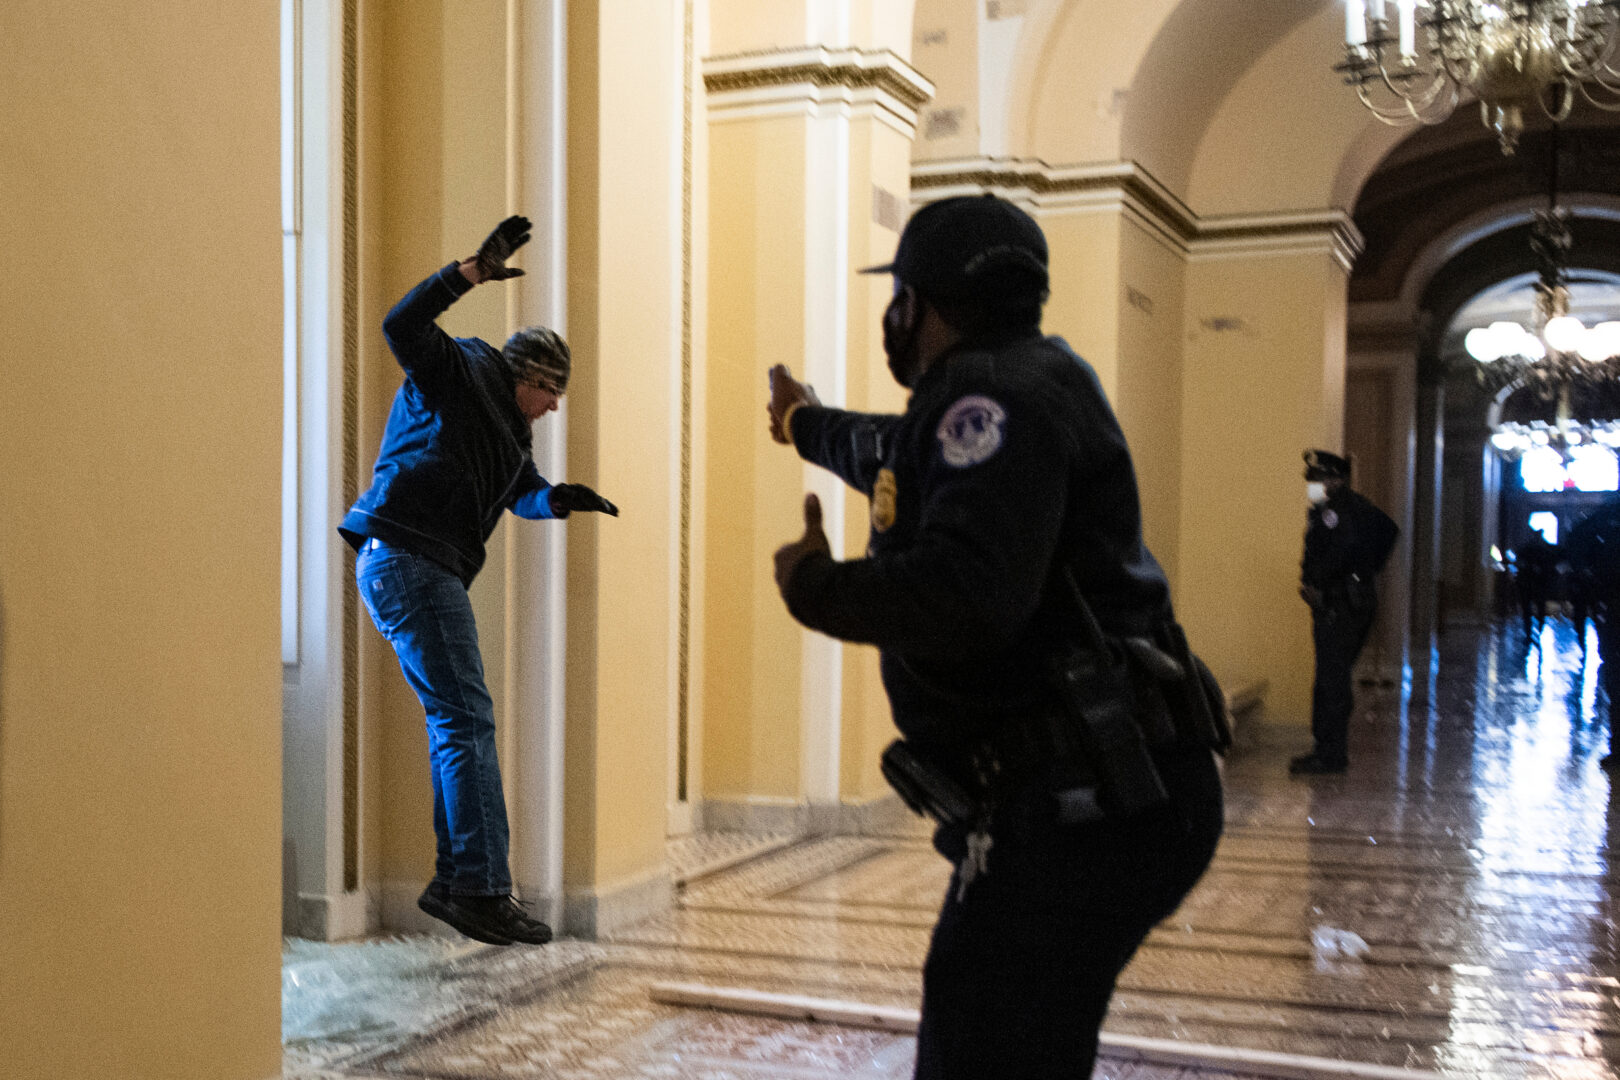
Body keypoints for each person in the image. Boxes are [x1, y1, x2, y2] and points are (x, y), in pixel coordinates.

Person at [765, 194, 1226, 1079]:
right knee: (1007, 1036)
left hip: (1082, 809)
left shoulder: (996, 400)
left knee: (985, 1047)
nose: (891, 319)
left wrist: (818, 587)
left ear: (919, 303)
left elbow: (966, 597)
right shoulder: (1017, 383)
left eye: (898, 298)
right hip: (1101, 799)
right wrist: (803, 425)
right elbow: (902, 456)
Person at [339, 216, 619, 946]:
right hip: (407, 556)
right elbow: (400, 323)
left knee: (454, 721)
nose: (556, 405)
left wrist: (557, 500)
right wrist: (467, 272)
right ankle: (484, 892)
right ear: (528, 376)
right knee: (467, 719)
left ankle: (455, 879)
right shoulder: (462, 369)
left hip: (413, 565)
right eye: (552, 391)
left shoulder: (511, 431)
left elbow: (519, 489)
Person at [1291, 450, 1398, 776]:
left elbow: (1340, 552)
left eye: (1318, 479)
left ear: (1335, 479)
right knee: (1332, 677)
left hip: (1339, 605)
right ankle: (1326, 749)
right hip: (1347, 603)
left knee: (1331, 680)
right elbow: (1388, 532)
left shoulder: (1336, 511)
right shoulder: (1352, 507)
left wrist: (1319, 583)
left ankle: (1330, 753)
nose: (1313, 485)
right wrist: (1366, 572)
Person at [1567, 501, 1620, 769]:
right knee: (1614, 674)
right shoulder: (1606, 518)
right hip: (1609, 602)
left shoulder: (1604, 518)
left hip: (1608, 603)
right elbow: (1577, 546)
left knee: (1614, 674)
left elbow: (1576, 545)